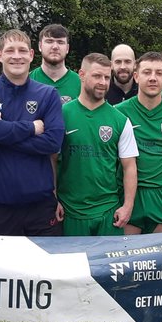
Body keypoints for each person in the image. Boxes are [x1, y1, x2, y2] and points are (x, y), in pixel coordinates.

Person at [0, 29, 64, 235]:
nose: (16, 56)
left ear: (31, 55)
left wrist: (2, 130)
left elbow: (53, 142)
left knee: (43, 268)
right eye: (10, 50)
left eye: (22, 50)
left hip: (40, 206)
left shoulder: (48, 94)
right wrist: (31, 128)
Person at [56, 53, 138, 235]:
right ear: (82, 75)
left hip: (108, 211)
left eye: (107, 77)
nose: (103, 82)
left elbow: (130, 166)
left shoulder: (120, 119)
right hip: (71, 210)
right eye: (97, 76)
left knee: (111, 264)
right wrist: (53, 199)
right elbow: (50, 160)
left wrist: (128, 206)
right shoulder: (61, 115)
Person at [117, 53, 162, 234]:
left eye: (158, 73)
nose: (153, 78)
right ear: (136, 76)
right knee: (127, 259)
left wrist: (157, 176)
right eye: (147, 72)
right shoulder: (118, 113)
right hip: (129, 194)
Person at [29, 23, 82, 104]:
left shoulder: (81, 84)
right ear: (40, 46)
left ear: (67, 48)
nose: (55, 47)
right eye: (49, 41)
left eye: (60, 42)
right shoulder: (27, 81)